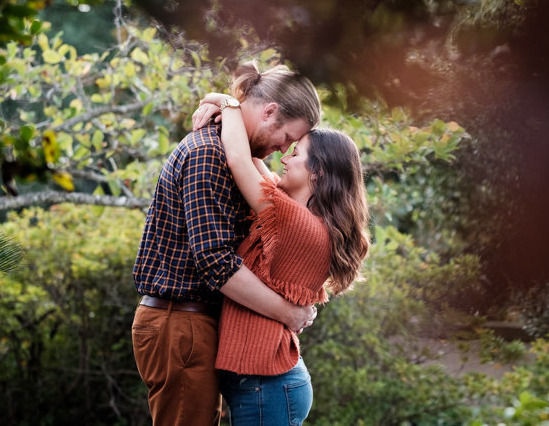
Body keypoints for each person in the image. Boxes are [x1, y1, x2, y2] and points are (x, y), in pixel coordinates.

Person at [131, 62, 322, 426]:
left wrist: (224, 101)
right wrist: (286, 312)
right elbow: (215, 262)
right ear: (270, 112)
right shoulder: (210, 154)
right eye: (286, 137)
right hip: (180, 323)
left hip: (192, 324)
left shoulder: (232, 153)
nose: (283, 150)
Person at [192, 91, 370, 426]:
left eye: (295, 152)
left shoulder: (296, 223)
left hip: (266, 387)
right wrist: (238, 113)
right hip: (265, 385)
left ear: (316, 173)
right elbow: (253, 161)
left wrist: (227, 102)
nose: (284, 158)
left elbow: (240, 161)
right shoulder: (298, 217)